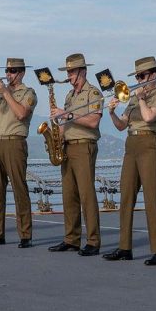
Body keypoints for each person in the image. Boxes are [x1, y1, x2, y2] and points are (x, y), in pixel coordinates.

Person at [102, 56, 156, 265]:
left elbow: (149, 117)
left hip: (150, 143)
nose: (139, 80)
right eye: (138, 76)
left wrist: (141, 98)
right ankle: (125, 247)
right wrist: (112, 112)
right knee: (126, 196)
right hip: (131, 145)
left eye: (142, 76)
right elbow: (122, 125)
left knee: (151, 198)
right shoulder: (132, 99)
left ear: (154, 75)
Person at [47, 53, 103, 256]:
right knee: (68, 195)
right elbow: (65, 123)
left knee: (87, 194)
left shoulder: (94, 93)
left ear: (83, 71)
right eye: (68, 71)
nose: (69, 75)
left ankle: (93, 241)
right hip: (68, 146)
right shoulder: (69, 96)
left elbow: (93, 122)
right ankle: (71, 239)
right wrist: (56, 138)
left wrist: (66, 114)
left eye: (71, 71)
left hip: (84, 145)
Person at [0, 58, 38, 248]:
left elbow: (21, 114)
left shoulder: (28, 93)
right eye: (7, 71)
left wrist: (6, 92)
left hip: (15, 142)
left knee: (19, 189)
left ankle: (25, 235)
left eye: (12, 71)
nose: (8, 74)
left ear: (21, 73)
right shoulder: (0, 91)